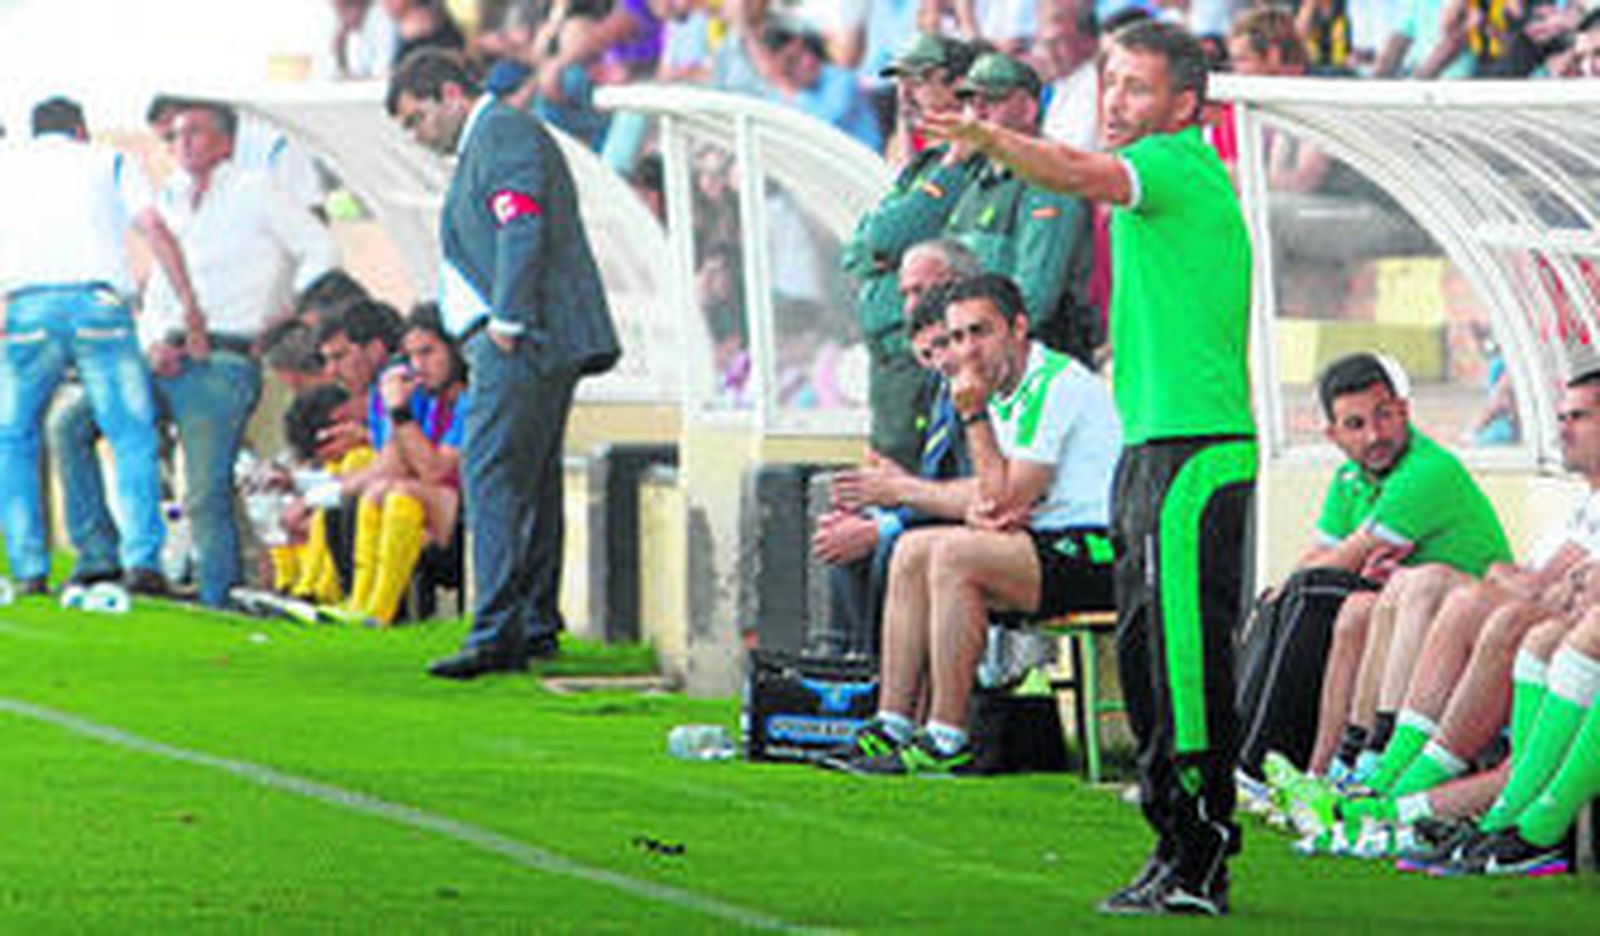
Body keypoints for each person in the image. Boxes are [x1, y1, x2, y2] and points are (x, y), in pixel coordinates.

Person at [928, 19, 1253, 915]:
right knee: (1148, 661)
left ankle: (1201, 857)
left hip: (1197, 451)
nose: (1117, 101)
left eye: (1138, 87)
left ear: (1186, 105)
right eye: (1112, 83)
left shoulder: (1179, 164)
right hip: (1156, 448)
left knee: (1183, 665)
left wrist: (991, 136)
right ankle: (1173, 845)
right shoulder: (1159, 183)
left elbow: (1074, 173)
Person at [825, 273, 1120, 775]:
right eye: (958, 336)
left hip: (1098, 551)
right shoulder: (997, 385)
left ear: (1018, 328)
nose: (967, 349)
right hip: (1038, 540)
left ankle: (948, 736)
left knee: (953, 556)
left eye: (980, 332)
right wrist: (988, 499)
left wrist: (975, 423)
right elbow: (991, 492)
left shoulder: (1054, 384)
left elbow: (1005, 495)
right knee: (913, 549)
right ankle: (892, 724)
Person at [386, 49, 620, 679]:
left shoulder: (503, 132)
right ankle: (533, 622)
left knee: (490, 477)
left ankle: (495, 630)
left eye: (416, 119)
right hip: (525, 338)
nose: (417, 135)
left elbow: (522, 223)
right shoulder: (494, 138)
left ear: (450, 94)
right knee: (532, 482)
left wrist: (509, 320)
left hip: (521, 338)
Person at [53, 100, 339, 608]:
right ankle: (100, 556)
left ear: (226, 141)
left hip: (225, 356)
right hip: (165, 352)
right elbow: (159, 291)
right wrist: (154, 342)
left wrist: (287, 314)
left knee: (205, 489)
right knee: (71, 426)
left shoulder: (256, 190)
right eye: (177, 135)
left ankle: (218, 594)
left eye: (195, 132)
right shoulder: (171, 198)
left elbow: (321, 248)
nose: (182, 143)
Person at [0, 96, 204, 596]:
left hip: (26, 310)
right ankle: (142, 560)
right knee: (130, 433)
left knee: (14, 438)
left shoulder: (10, 166)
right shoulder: (109, 159)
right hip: (100, 308)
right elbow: (152, 227)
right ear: (80, 130)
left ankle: (28, 567)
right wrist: (189, 305)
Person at [812, 238, 982, 654]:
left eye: (923, 290)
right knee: (841, 529)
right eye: (905, 292)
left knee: (887, 541)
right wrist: (889, 493)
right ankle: (851, 668)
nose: (910, 304)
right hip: (941, 512)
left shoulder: (985, 375)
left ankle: (885, 682)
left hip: (991, 526)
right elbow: (934, 484)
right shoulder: (936, 377)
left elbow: (975, 491)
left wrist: (887, 516)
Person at [841, 32, 981, 470]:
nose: (907, 95)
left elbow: (884, 240)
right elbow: (859, 250)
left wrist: (883, 249)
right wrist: (879, 249)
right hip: (889, 368)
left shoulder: (967, 163)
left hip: (924, 360)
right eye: (903, 82)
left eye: (921, 81)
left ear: (961, 86)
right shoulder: (924, 165)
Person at [942, 53, 1096, 365]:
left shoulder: (1049, 180)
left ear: (1028, 108)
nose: (978, 111)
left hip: (1032, 369)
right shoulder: (972, 178)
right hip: (976, 359)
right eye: (971, 101)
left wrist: (968, 348)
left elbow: (1033, 301)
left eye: (993, 100)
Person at [333, 305, 469, 626]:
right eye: (412, 356)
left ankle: (380, 611)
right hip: (437, 507)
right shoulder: (428, 397)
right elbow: (396, 464)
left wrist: (400, 412)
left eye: (428, 352)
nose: (419, 366)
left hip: (467, 513)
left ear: (455, 350)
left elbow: (437, 471)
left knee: (400, 494)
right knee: (380, 491)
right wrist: (398, 411)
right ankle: (360, 600)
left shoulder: (471, 400)